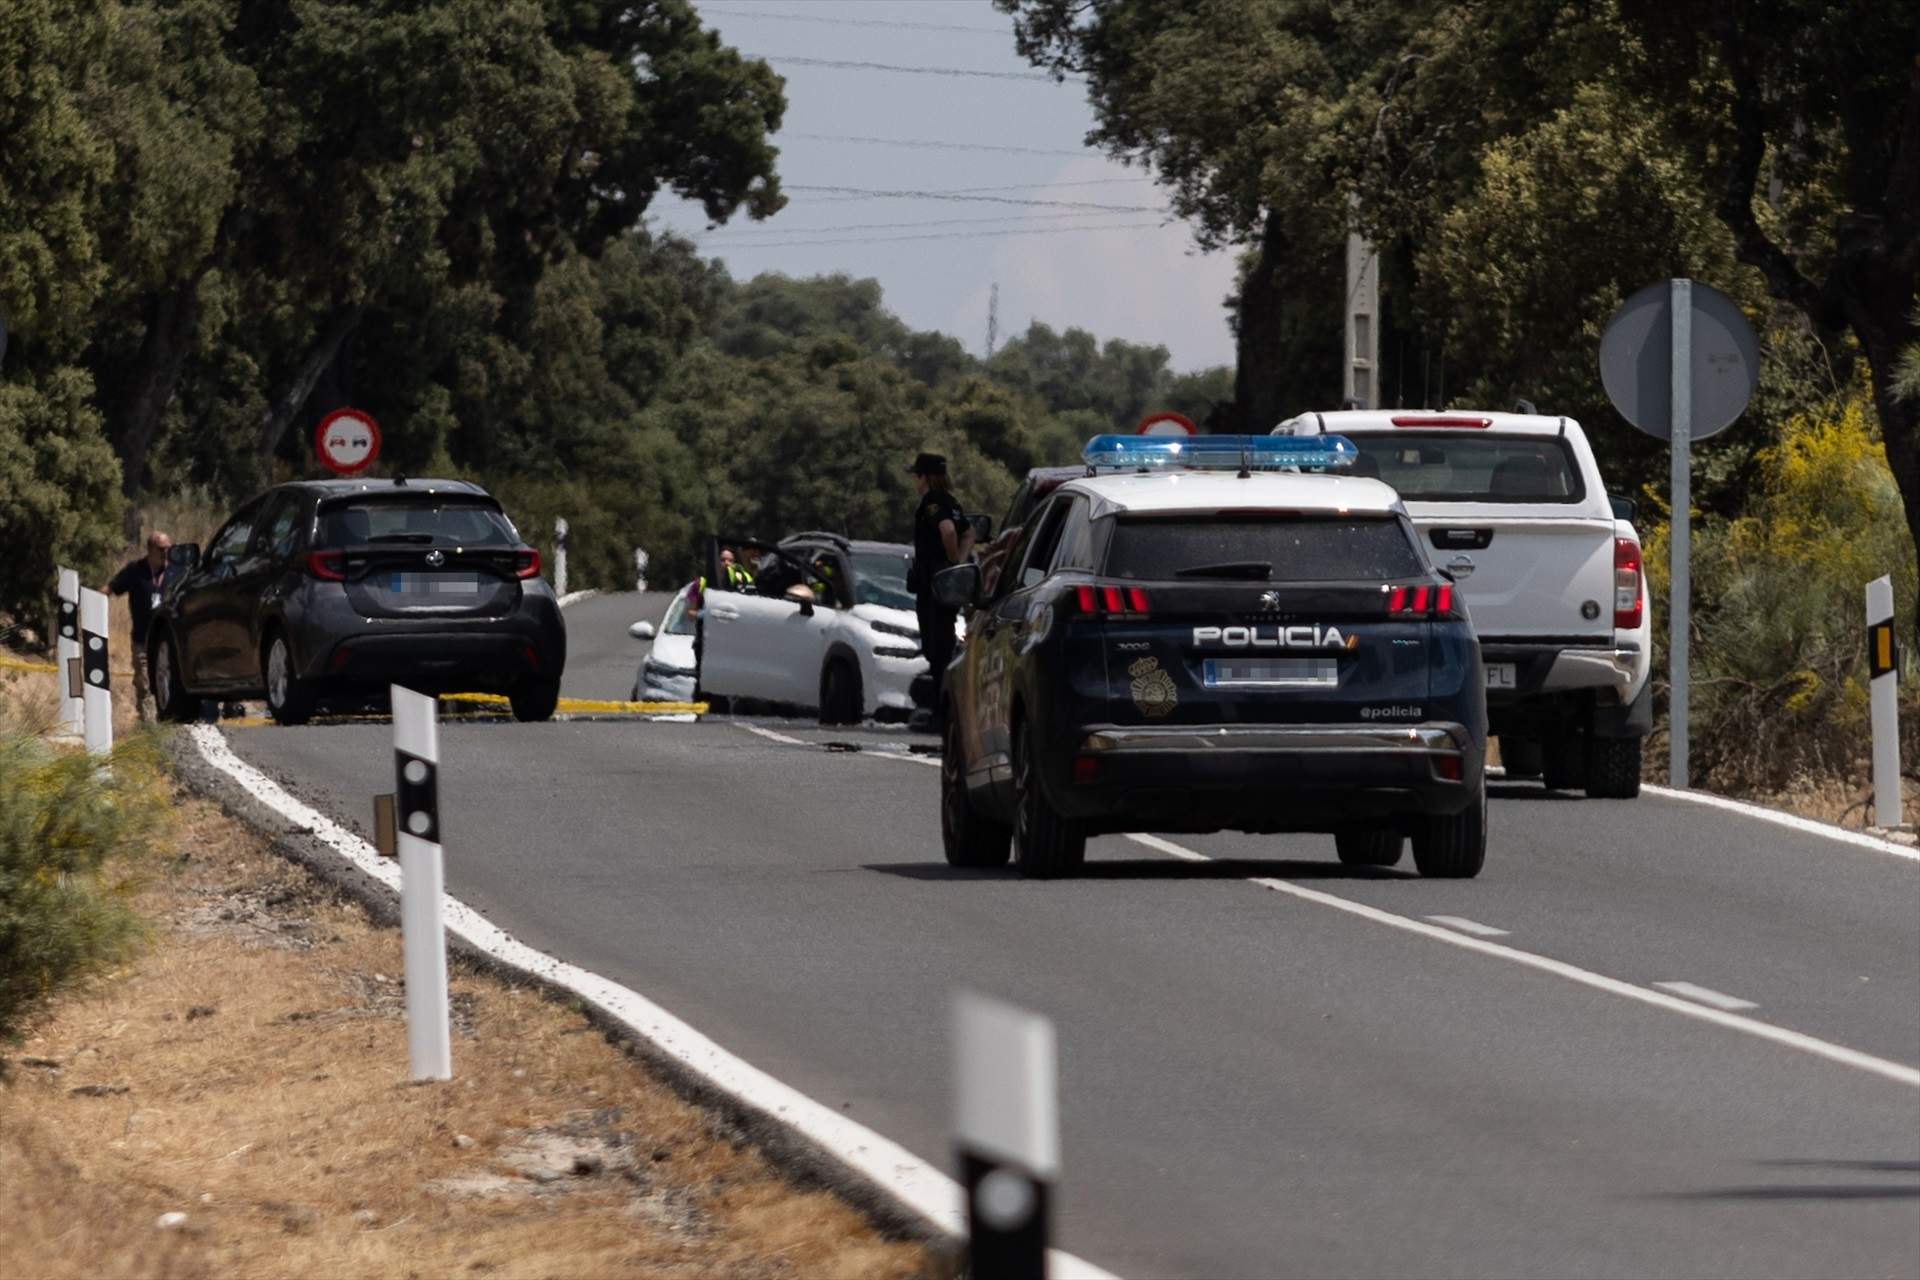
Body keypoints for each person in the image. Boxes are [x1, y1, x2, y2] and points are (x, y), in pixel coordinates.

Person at [908, 452, 964, 728]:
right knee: (942, 644)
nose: (915, 482)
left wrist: (950, 562)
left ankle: (942, 714)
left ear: (925, 477)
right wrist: (957, 564)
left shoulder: (932, 503)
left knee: (937, 648)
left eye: (917, 476)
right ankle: (942, 710)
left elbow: (950, 532)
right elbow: (970, 533)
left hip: (933, 586)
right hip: (944, 586)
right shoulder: (953, 502)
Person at [106, 531, 172, 722]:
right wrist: (88, 601)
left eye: (169, 549)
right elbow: (111, 588)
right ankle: (148, 723)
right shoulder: (135, 571)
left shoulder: (175, 572)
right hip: (142, 639)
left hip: (168, 641)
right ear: (151, 549)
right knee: (144, 681)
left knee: (168, 679)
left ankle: (169, 717)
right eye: (162, 549)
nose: (166, 553)